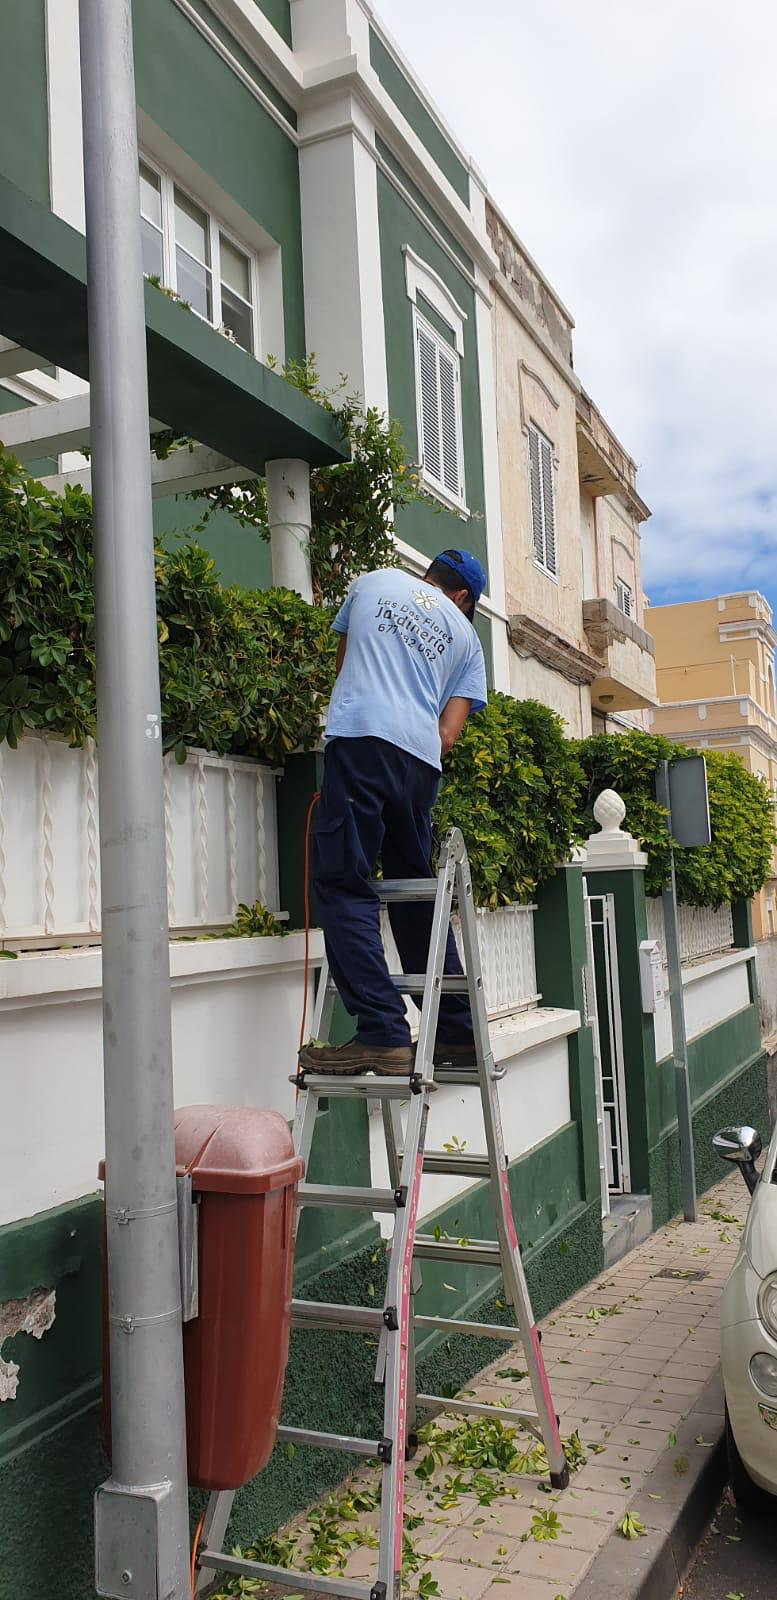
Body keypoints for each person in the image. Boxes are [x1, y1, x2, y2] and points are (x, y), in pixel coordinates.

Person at [298, 548, 488, 1077]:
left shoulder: (372, 580)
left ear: (430, 576)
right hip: (420, 764)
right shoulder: (468, 638)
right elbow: (448, 734)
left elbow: (345, 668)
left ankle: (381, 1032)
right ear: (464, 598)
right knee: (414, 890)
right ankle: (457, 1034)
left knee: (342, 880)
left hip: (361, 740)